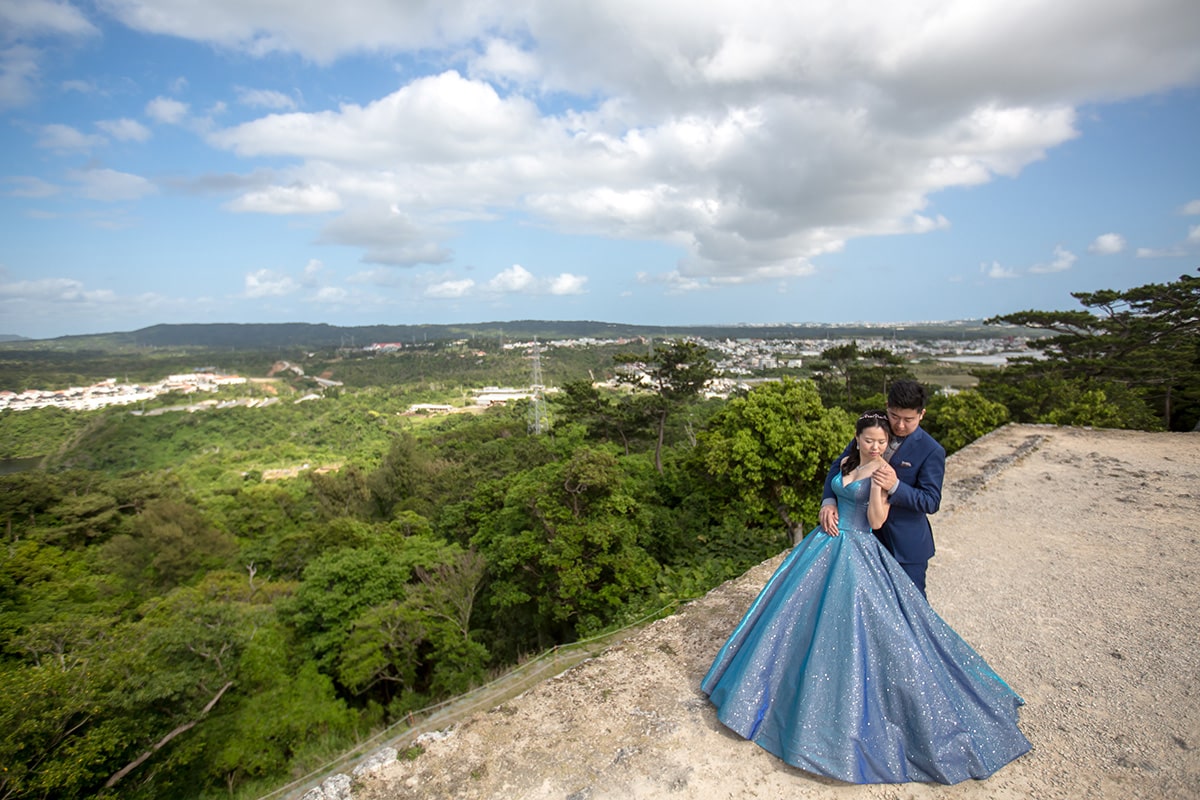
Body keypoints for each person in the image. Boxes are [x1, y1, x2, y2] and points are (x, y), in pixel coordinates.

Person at [701, 411, 1031, 784]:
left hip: (858, 550)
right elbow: (833, 487)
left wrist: (882, 487)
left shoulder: (881, 472)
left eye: (881, 442)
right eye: (869, 440)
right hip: (823, 544)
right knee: (792, 617)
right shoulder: (845, 462)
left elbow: (876, 522)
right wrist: (827, 502)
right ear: (857, 438)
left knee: (854, 630)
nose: (876, 446)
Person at [819, 379, 943, 596]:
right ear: (887, 406)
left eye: (909, 419)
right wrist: (829, 501)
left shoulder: (931, 450)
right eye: (895, 416)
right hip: (863, 543)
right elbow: (840, 464)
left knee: (910, 608)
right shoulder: (871, 431)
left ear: (921, 414)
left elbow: (931, 501)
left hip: (905, 547)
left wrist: (895, 486)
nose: (900, 425)